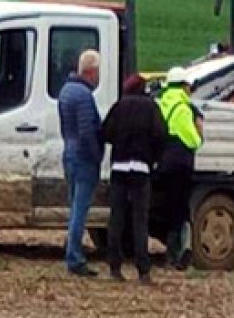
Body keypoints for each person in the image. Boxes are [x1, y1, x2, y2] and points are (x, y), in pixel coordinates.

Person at [99, 73, 167, 284]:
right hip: (141, 168)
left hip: (119, 166)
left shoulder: (119, 107)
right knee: (140, 221)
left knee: (116, 218)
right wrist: (153, 158)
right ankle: (143, 271)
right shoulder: (151, 108)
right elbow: (162, 135)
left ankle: (114, 267)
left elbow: (105, 132)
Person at [57, 49, 103, 277]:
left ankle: (72, 250)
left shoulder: (66, 91)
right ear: (91, 72)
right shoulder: (84, 96)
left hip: (69, 152)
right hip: (83, 158)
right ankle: (74, 256)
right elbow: (87, 131)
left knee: (73, 204)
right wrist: (96, 156)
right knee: (80, 209)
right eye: (98, 72)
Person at [157, 67, 202, 270]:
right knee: (179, 209)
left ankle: (171, 251)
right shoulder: (183, 109)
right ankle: (176, 255)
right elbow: (193, 140)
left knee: (168, 207)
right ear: (184, 86)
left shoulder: (161, 104)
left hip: (163, 162)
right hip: (180, 165)